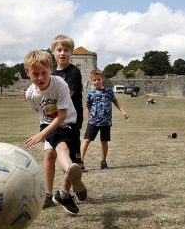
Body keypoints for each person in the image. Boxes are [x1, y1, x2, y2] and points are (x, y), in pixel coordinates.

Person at [23, 49, 86, 215]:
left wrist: (41, 135)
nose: (40, 78)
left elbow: (62, 115)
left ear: (51, 69)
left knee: (77, 162)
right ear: (27, 73)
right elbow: (43, 113)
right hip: (49, 125)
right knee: (60, 148)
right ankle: (68, 170)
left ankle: (64, 193)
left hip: (68, 124)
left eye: (44, 72)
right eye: (35, 74)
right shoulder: (30, 94)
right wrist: (44, 133)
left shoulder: (60, 84)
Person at [40, 34, 85, 210]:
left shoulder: (74, 72)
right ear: (53, 52)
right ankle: (49, 195)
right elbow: (40, 90)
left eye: (66, 50)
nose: (62, 53)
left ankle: (64, 193)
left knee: (74, 161)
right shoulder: (50, 72)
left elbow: (68, 95)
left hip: (71, 121)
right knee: (50, 155)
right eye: (59, 50)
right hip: (52, 122)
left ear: (71, 53)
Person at [81, 69, 129, 169]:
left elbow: (116, 102)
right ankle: (80, 161)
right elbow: (88, 107)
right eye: (94, 80)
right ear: (91, 81)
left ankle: (103, 161)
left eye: (98, 79)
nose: (96, 82)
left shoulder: (109, 91)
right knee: (86, 140)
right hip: (93, 121)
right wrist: (88, 119)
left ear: (102, 79)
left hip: (106, 122)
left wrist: (123, 112)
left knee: (104, 142)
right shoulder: (91, 93)